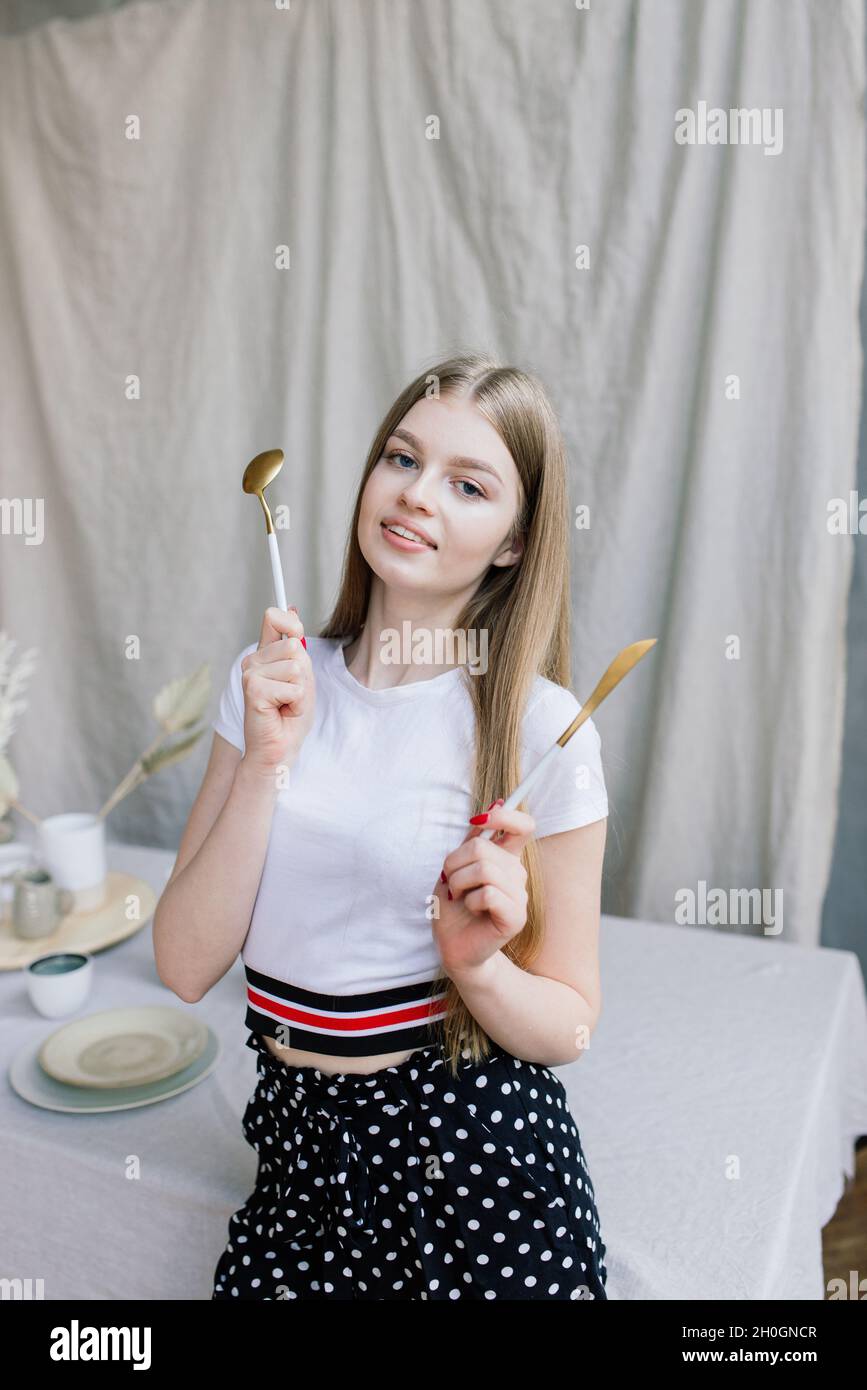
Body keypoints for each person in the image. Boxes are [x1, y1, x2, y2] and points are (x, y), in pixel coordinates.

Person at [153, 352, 611, 1301]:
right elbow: (185, 964)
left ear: (514, 543)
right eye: (401, 459)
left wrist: (478, 966)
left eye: (468, 484)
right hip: (296, 1151)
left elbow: (568, 1025)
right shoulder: (273, 680)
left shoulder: (539, 727)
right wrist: (266, 765)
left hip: (472, 1157)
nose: (415, 497)